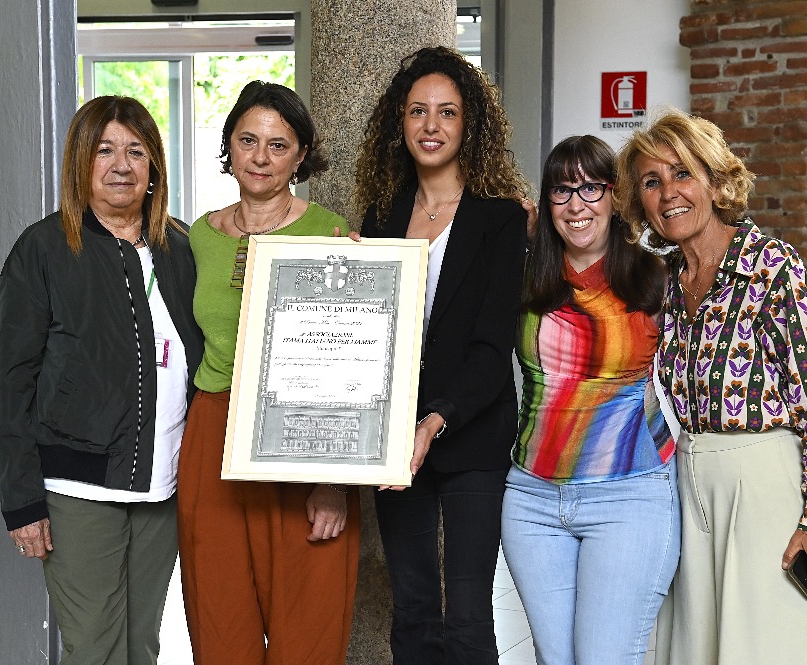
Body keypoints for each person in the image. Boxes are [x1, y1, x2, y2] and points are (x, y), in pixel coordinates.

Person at [614, 109, 807, 665]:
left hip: (763, 482)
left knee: (765, 647)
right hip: (687, 485)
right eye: (651, 181)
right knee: (694, 650)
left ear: (716, 180)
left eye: (683, 173)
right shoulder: (664, 282)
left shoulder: (771, 268)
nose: (668, 193)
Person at [0, 95, 202, 664]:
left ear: (154, 166)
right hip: (78, 489)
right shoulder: (44, 248)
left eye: (136, 151)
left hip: (162, 484)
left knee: (142, 646)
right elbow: (10, 383)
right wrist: (21, 501)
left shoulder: (180, 248)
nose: (121, 166)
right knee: (95, 649)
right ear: (81, 162)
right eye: (105, 150)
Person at [353, 46, 529, 664]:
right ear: (399, 123)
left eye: (447, 112)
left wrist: (435, 420)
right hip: (395, 437)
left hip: (472, 435)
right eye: (418, 111)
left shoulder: (501, 221)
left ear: (468, 124)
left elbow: (492, 347)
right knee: (414, 608)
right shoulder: (381, 218)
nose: (431, 126)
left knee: (470, 617)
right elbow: (369, 339)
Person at [176, 79, 360, 665]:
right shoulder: (199, 236)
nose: (261, 157)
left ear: (301, 155)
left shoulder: (333, 233)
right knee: (219, 619)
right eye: (248, 140)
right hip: (214, 432)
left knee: (307, 629)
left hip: (306, 438)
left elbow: (353, 363)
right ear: (229, 146)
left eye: (278, 145)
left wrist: (335, 481)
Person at [500, 135, 680, 665]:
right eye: (562, 190)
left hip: (630, 495)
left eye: (591, 188)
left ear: (616, 197)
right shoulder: (525, 277)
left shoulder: (655, 280)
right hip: (532, 498)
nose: (576, 204)